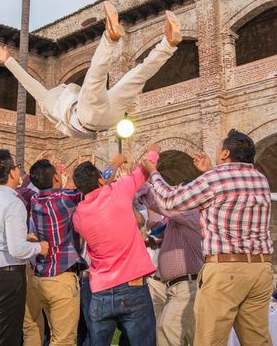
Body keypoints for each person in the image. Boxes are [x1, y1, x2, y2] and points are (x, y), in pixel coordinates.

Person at [149, 129, 274, 346]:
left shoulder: (214, 179)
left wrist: (153, 172)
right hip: (260, 268)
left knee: (209, 340)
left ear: (225, 154)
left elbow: (169, 201)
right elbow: (229, 190)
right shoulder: (261, 179)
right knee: (257, 340)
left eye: (219, 148)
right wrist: (209, 171)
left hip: (226, 270)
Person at [0, 1, 182, 139]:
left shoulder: (60, 101)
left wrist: (9, 60)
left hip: (107, 117)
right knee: (95, 76)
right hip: (87, 118)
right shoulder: (48, 101)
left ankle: (169, 43)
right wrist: (8, 61)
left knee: (135, 77)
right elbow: (29, 83)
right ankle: (110, 36)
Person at [72, 147, 158, 346]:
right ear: (101, 180)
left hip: (100, 290)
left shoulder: (79, 215)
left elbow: (96, 188)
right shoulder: (119, 191)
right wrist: (154, 152)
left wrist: (112, 165)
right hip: (133, 285)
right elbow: (143, 171)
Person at [0, 148, 49, 346]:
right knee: (7, 339)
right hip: (7, 277)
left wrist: (23, 237)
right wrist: (39, 248)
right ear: (11, 173)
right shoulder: (13, 203)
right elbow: (17, 250)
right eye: (16, 167)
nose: (18, 170)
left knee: (3, 335)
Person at [138, 164, 202, 346]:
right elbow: (157, 225)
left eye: (179, 191)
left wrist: (145, 178)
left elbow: (159, 204)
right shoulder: (178, 220)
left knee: (166, 331)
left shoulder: (190, 211)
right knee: (195, 337)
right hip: (177, 286)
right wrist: (156, 242)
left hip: (186, 285)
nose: (175, 194)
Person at [29, 158, 85, 346]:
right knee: (64, 340)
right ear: (55, 176)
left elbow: (66, 188)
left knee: (53, 335)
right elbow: (79, 183)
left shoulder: (35, 200)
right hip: (61, 278)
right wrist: (78, 167)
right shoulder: (64, 200)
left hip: (40, 278)